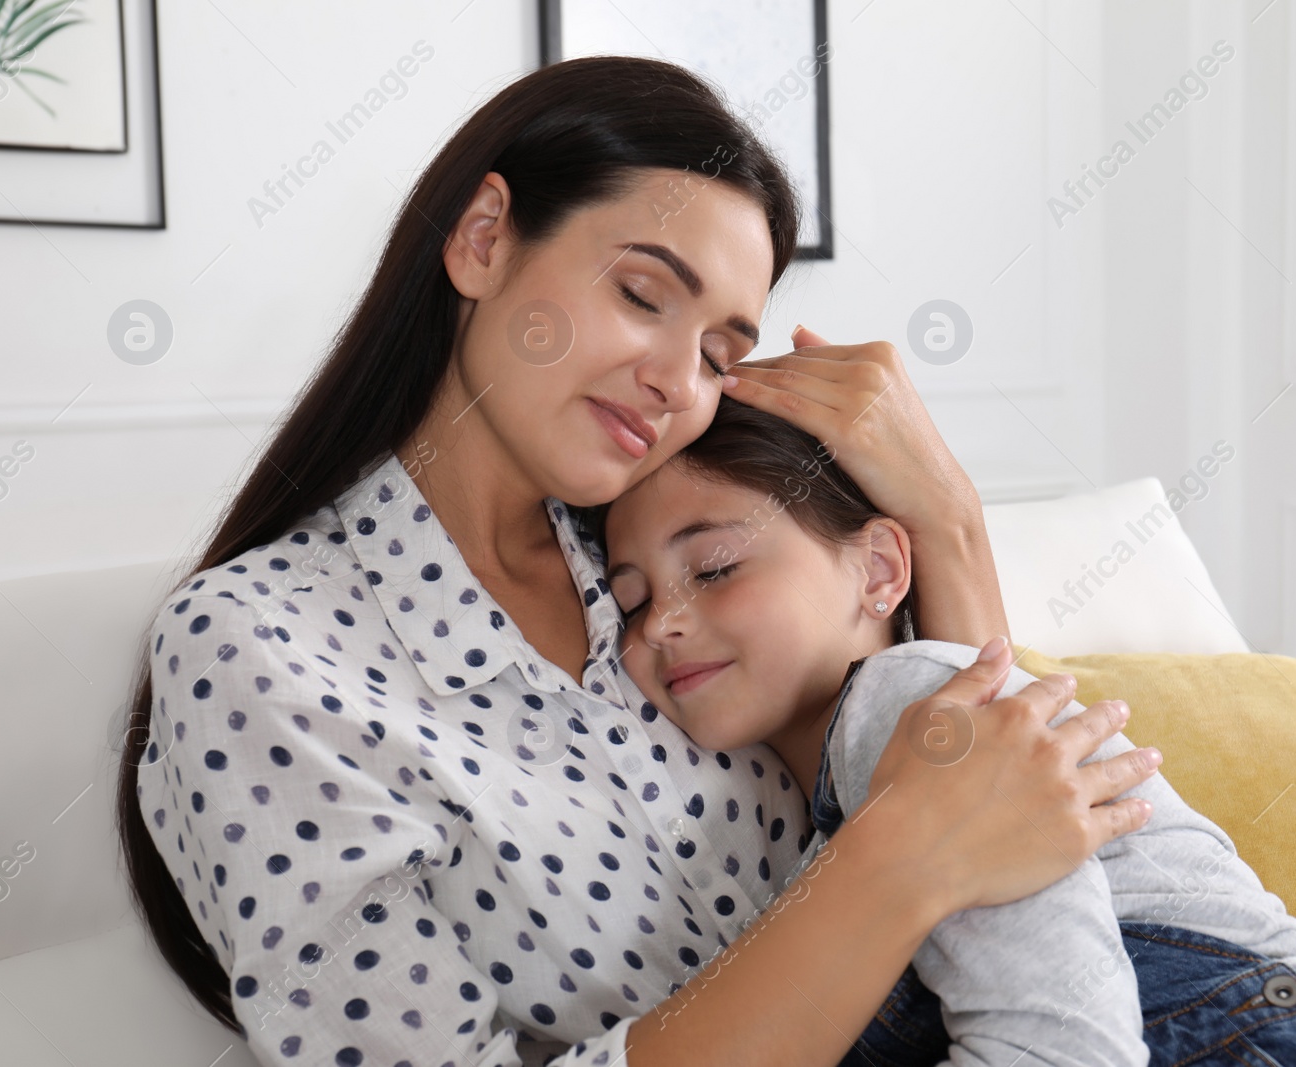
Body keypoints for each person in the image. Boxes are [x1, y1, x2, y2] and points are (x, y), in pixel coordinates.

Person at [114, 55, 1161, 1067]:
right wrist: (897, 858)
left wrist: (947, 516)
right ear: (483, 240)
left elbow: (983, 774)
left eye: (718, 353)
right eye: (643, 294)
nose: (676, 381)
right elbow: (940, 819)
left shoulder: (675, 558)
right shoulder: (258, 646)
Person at [599, 394, 1296, 1067]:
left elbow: (1070, 1047)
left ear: (877, 571)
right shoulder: (823, 817)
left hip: (1224, 1030)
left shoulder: (912, 701)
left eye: (714, 567)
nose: (661, 623)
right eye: (630, 601)